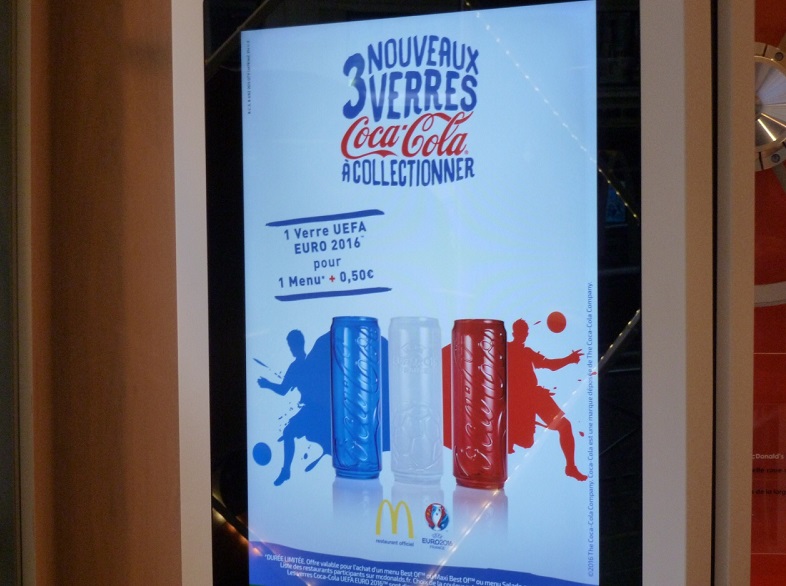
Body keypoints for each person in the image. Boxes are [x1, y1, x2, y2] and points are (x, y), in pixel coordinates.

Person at [507, 318, 587, 481]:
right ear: (515, 333)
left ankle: (571, 467)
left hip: (533, 395)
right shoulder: (505, 349)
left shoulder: (527, 352)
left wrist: (569, 359)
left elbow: (550, 364)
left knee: (565, 426)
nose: (524, 335)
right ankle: (508, 438)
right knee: (526, 441)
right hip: (516, 399)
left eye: (525, 332)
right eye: (521, 332)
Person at [257, 330, 330, 486]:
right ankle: (286, 471)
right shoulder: (310, 362)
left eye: (291, 345)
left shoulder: (298, 366)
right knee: (288, 432)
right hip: (318, 409)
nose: (290, 348)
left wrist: (266, 384)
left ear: (294, 345)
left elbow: (283, 390)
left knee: (288, 432)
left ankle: (286, 471)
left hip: (315, 410)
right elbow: (284, 389)